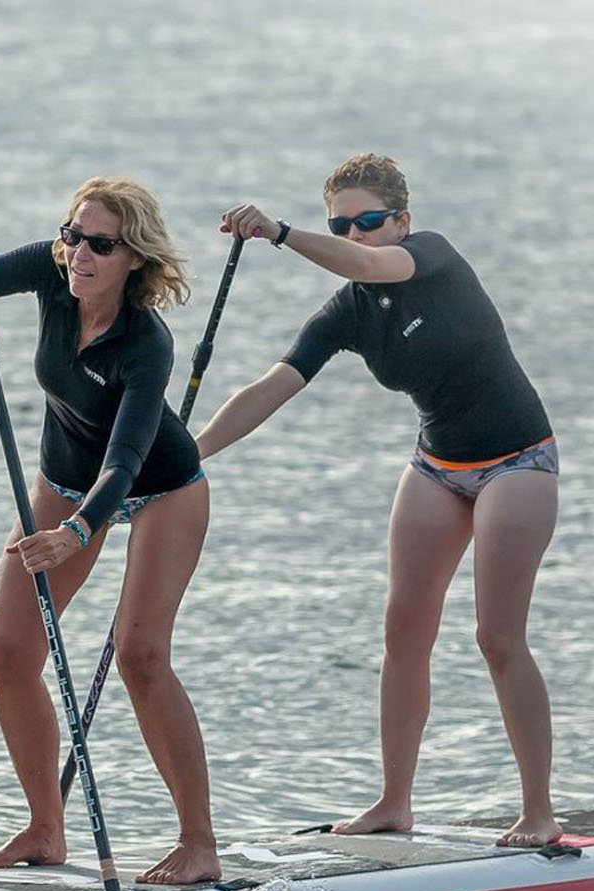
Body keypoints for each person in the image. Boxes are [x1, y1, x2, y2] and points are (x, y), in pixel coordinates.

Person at [200, 152, 562, 850]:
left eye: (369, 222)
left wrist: (279, 232)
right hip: (436, 467)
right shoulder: (347, 314)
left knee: (496, 637)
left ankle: (539, 812)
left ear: (402, 220)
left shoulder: (432, 256)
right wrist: (189, 452)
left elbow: (369, 265)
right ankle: (394, 802)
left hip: (518, 462)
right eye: (343, 226)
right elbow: (270, 388)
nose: (356, 237)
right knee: (403, 631)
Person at [0, 177, 221, 885]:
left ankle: (198, 841)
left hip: (161, 487)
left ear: (134, 258)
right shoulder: (52, 270)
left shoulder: (147, 344)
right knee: (8, 650)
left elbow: (128, 458)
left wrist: (80, 532)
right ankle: (45, 830)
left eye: (100, 244)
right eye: (72, 233)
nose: (78, 252)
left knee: (142, 654)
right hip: (63, 480)